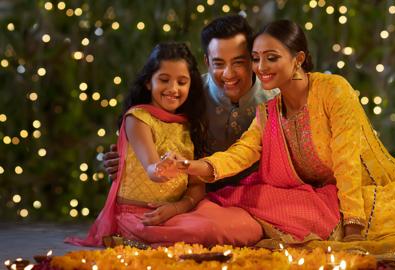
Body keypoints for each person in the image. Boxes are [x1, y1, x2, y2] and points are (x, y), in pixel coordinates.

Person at [166, 20, 395, 256]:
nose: (261, 67)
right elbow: (241, 153)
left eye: (271, 58)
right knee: (249, 198)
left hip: (362, 192)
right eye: (257, 58)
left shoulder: (333, 90)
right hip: (314, 194)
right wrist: (191, 167)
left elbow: (346, 161)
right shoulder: (270, 109)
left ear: (298, 58)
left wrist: (354, 226)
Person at [66, 42, 262, 247]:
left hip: (177, 210)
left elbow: (196, 186)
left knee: (247, 225)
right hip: (143, 216)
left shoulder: (188, 124)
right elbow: (152, 168)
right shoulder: (138, 118)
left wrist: (178, 207)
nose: (173, 89)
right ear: (149, 82)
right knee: (211, 230)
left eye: (181, 82)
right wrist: (165, 167)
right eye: (164, 80)